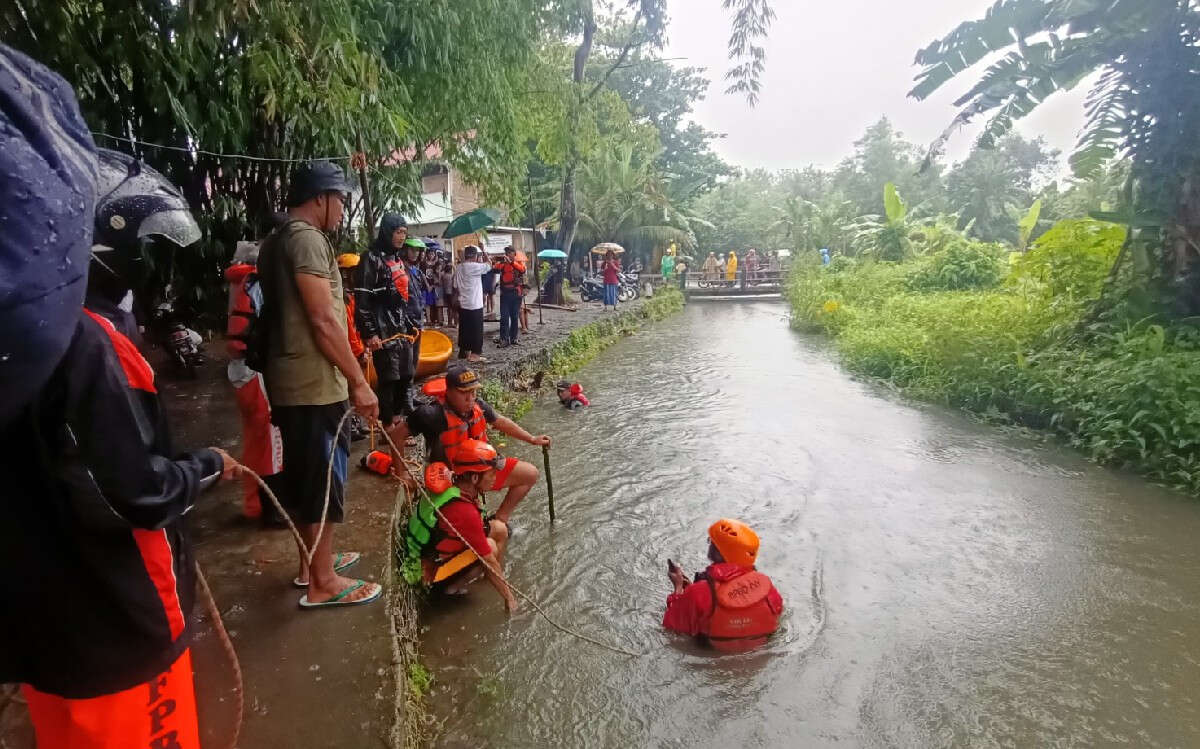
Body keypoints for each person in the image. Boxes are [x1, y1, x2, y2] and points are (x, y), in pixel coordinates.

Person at [1, 49, 236, 748]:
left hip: (46, 642)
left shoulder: (19, 337)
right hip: (120, 631)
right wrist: (206, 468)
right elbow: (133, 493)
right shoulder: (92, 344)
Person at [257, 159, 381, 608]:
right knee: (324, 479)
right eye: (340, 199)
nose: (342, 209)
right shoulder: (308, 240)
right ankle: (323, 582)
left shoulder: (278, 239)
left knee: (308, 477)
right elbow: (323, 319)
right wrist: (358, 382)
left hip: (292, 380)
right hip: (313, 385)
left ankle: (313, 564)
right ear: (320, 199)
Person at [393, 364, 549, 525]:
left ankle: (500, 518)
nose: (470, 398)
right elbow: (396, 435)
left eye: (473, 392)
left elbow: (500, 421)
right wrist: (402, 472)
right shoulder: (431, 415)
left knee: (530, 474)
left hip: (482, 473)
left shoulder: (478, 406)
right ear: (449, 392)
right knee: (466, 525)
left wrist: (532, 439)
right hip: (452, 479)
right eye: (464, 393)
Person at [402, 451, 518, 611]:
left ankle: (492, 578)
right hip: (429, 571)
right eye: (491, 474)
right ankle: (452, 590)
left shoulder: (452, 482)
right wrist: (510, 599)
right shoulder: (463, 511)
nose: (494, 479)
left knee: (499, 529)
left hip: (431, 550)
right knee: (490, 547)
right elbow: (488, 558)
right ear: (475, 478)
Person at [225, 241, 286, 521]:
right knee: (269, 440)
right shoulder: (256, 284)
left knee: (253, 439)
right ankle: (272, 510)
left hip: (239, 370)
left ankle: (254, 505)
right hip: (255, 371)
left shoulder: (239, 283)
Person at [663, 519, 784, 653]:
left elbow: (672, 627)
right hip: (758, 655)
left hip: (710, 660)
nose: (709, 545)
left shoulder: (697, 593)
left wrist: (678, 589)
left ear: (717, 552)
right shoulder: (767, 588)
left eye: (711, 542)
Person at [356, 214, 420, 428]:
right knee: (389, 378)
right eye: (397, 232)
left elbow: (403, 297)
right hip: (382, 328)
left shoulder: (397, 259)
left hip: (400, 326)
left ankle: (398, 421)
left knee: (406, 375)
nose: (401, 237)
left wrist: (410, 324)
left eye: (404, 232)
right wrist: (370, 333)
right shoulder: (371, 259)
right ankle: (387, 427)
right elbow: (363, 300)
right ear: (386, 232)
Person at [336, 252, 370, 442]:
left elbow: (359, 326)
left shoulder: (355, 296)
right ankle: (351, 426)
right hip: (350, 352)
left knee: (357, 389)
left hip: (358, 348)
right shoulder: (343, 300)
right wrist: (358, 351)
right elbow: (348, 329)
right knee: (350, 389)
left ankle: (357, 423)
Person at [453, 245, 491, 362]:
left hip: (463, 303)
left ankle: (464, 351)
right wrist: (484, 250)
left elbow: (455, 286)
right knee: (476, 329)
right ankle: (475, 354)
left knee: (464, 329)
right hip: (474, 303)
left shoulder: (459, 267)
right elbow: (489, 265)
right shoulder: (474, 266)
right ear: (475, 256)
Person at [494, 245, 526, 346]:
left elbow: (522, 270)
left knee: (514, 316)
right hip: (505, 294)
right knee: (504, 317)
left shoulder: (519, 263)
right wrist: (499, 261)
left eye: (510, 252)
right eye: (506, 252)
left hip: (516, 294)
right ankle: (504, 339)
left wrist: (511, 262)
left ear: (514, 254)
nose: (508, 254)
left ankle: (514, 338)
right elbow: (494, 268)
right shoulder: (502, 264)